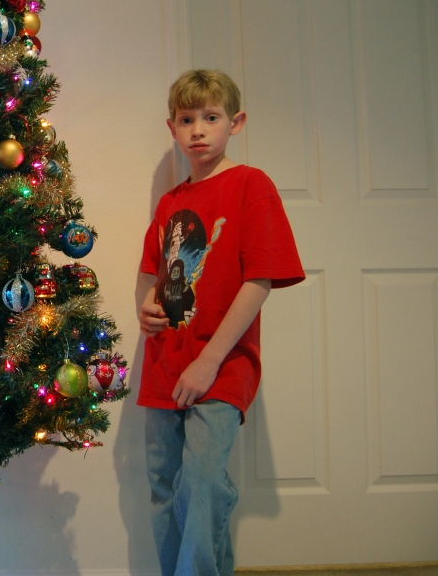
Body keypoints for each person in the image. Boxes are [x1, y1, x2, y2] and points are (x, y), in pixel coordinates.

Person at [137, 70, 304, 576]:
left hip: (220, 365)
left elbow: (261, 281)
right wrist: (145, 306)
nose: (198, 130)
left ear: (236, 122)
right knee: (165, 489)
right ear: (172, 127)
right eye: (187, 120)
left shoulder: (251, 185)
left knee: (204, 486)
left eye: (211, 117)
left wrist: (210, 362)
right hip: (164, 364)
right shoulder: (169, 203)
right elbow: (152, 274)